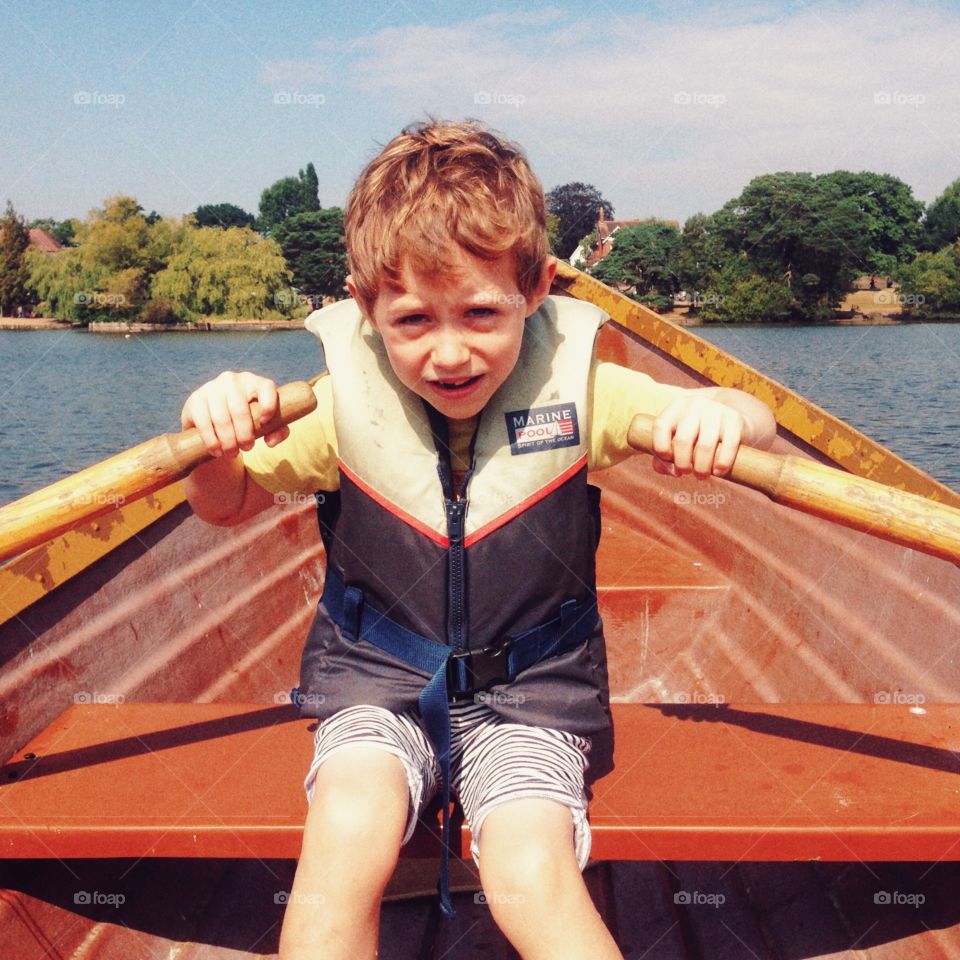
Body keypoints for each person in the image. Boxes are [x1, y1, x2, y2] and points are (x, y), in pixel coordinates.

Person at [180, 120, 777, 960]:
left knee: (529, 870)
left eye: (481, 313)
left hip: (532, 693)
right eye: (413, 320)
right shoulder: (338, 406)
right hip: (377, 684)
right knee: (345, 832)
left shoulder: (586, 393)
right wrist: (213, 443)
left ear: (535, 288)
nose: (450, 353)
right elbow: (227, 503)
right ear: (364, 306)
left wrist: (722, 415)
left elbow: (758, 417)